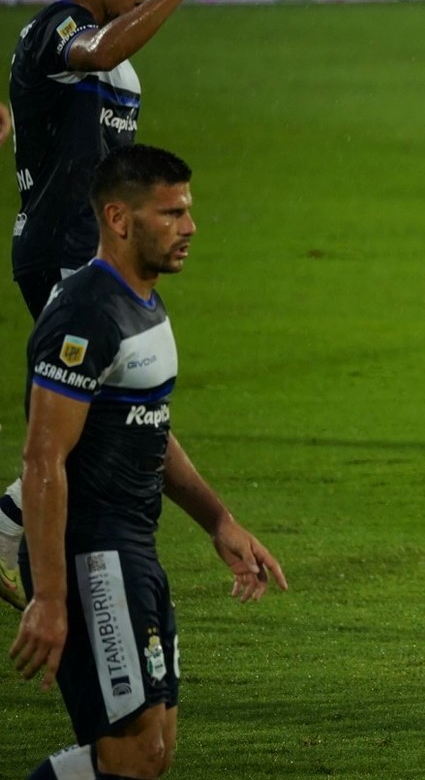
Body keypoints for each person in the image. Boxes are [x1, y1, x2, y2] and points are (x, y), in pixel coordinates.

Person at [9, 144, 288, 780]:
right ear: (118, 218)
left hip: (133, 549)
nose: (189, 227)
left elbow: (152, 431)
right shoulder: (86, 313)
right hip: (91, 553)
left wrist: (219, 521)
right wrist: (50, 597)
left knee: (152, 753)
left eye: (187, 210)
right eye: (170, 213)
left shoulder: (144, 302)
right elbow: (42, 456)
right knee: (131, 758)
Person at [2, 0, 217, 613]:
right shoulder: (58, 29)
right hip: (65, 252)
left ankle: (26, 543)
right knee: (108, 417)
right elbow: (89, 53)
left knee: (109, 411)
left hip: (93, 252)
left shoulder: (112, 53)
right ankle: (50, 564)